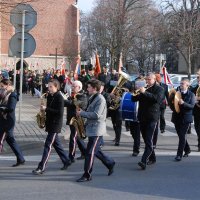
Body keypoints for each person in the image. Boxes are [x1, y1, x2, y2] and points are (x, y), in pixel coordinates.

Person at [76, 79, 115, 182]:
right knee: (96, 151)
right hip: (92, 128)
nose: (87, 88)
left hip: (97, 130)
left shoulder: (100, 99)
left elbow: (97, 115)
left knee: (90, 153)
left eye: (88, 87)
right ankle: (110, 163)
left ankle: (87, 175)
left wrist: (82, 113)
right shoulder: (93, 97)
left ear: (94, 88)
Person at [32, 79, 71, 175]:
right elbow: (50, 110)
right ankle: (66, 160)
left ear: (56, 87)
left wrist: (47, 109)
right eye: (48, 86)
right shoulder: (50, 96)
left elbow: (59, 112)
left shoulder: (59, 97)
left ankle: (41, 167)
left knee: (47, 145)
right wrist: (43, 112)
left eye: (51, 87)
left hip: (56, 124)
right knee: (56, 144)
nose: (48, 88)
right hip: (50, 123)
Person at [132, 73, 163, 170]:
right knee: (146, 140)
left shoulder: (160, 89)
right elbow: (134, 99)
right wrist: (135, 92)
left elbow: (157, 99)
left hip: (152, 118)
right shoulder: (144, 88)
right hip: (142, 117)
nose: (147, 81)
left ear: (154, 79)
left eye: (149, 79)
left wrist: (145, 92)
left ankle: (143, 160)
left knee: (149, 139)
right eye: (147, 79)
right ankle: (152, 158)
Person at [0, 79, 25, 167]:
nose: (2, 88)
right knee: (10, 140)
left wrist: (2, 108)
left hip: (8, 121)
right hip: (3, 120)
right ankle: (21, 158)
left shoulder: (13, 94)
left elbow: (11, 108)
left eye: (2, 86)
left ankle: (21, 158)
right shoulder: (5, 93)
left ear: (8, 85)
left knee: (0, 140)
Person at [172, 78, 195, 161]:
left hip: (185, 118)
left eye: (183, 84)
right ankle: (187, 149)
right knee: (181, 136)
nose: (181, 85)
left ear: (187, 85)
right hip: (176, 118)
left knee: (182, 136)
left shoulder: (191, 95)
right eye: (180, 83)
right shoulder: (176, 93)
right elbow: (172, 105)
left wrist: (183, 103)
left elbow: (192, 106)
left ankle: (179, 155)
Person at [64, 80, 87, 162]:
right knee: (77, 138)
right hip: (71, 118)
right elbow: (67, 103)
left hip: (78, 120)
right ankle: (85, 153)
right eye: (72, 86)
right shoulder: (73, 95)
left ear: (79, 87)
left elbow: (77, 104)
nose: (72, 87)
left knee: (73, 137)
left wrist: (67, 100)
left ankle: (71, 157)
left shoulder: (82, 95)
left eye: (74, 86)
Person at [191, 73, 200, 151]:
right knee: (197, 127)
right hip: (196, 111)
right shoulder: (195, 88)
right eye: (198, 78)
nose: (198, 79)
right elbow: (190, 94)